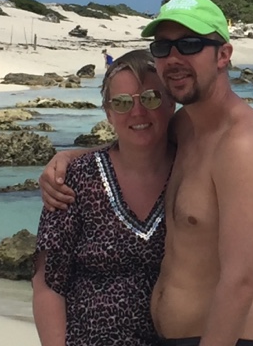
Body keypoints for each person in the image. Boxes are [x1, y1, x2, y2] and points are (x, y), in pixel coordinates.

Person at [40, 0, 253, 346]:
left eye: (190, 45)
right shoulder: (187, 127)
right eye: (162, 47)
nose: (174, 58)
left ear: (223, 55)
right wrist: (70, 157)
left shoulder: (244, 145)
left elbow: (242, 282)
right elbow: (137, 141)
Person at [33, 50, 177, 345]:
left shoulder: (194, 172)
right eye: (122, 103)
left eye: (150, 98)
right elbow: (48, 283)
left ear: (171, 103)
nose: (137, 112)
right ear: (109, 113)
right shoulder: (77, 178)